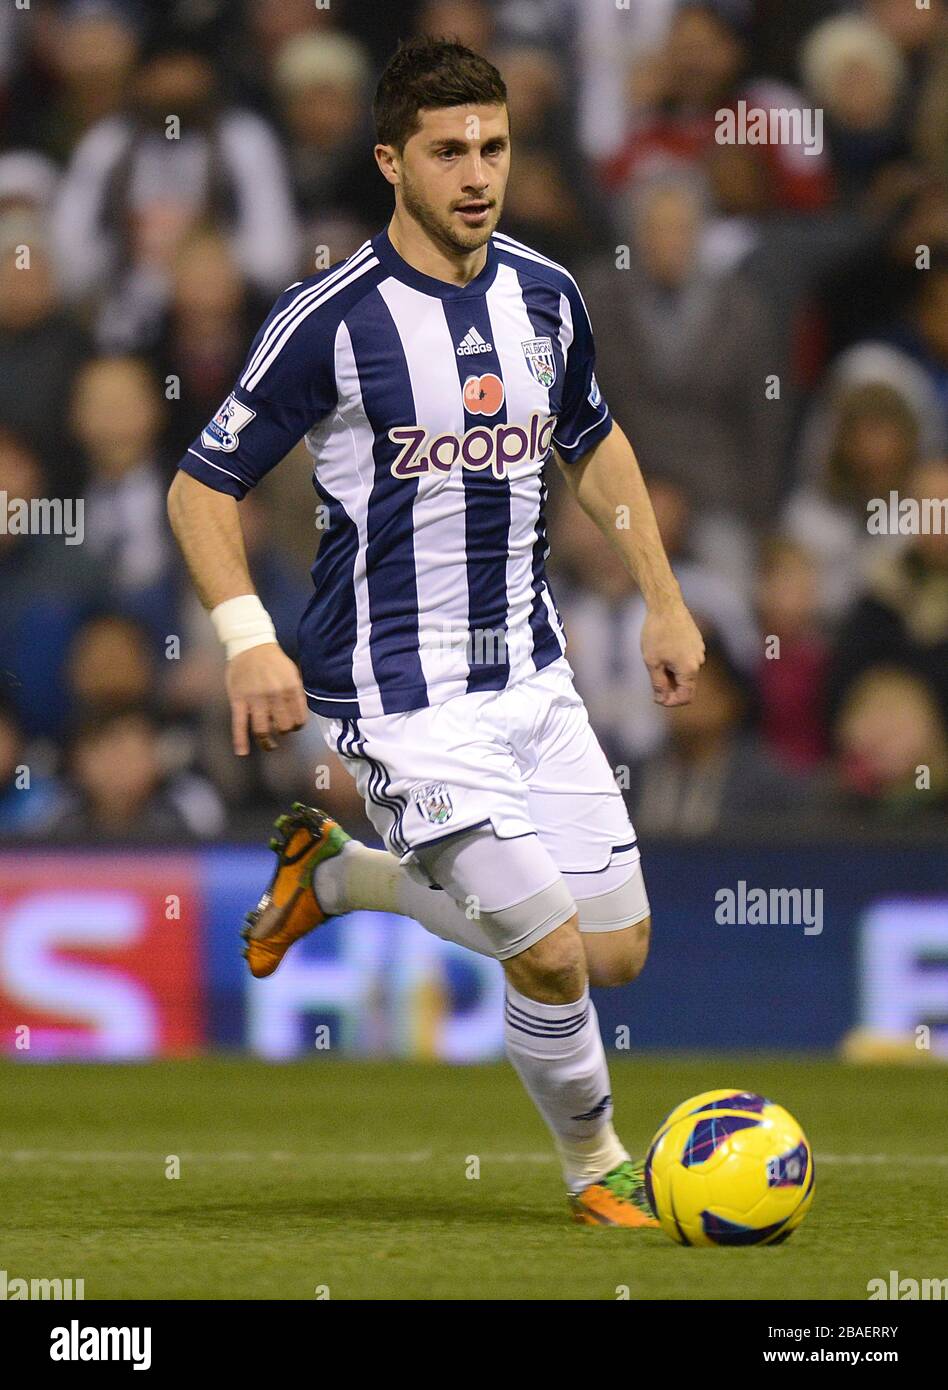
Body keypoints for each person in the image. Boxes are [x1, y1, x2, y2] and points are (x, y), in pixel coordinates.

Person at [167, 38, 705, 1228]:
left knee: (616, 954)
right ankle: (596, 1165)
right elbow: (200, 487)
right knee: (554, 955)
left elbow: (594, 441)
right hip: (398, 698)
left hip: (533, 673)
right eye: (449, 151)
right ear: (389, 163)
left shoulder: (546, 296)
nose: (477, 173)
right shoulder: (329, 322)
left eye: (495, 147)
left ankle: (342, 875)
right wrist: (247, 635)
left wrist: (662, 596)